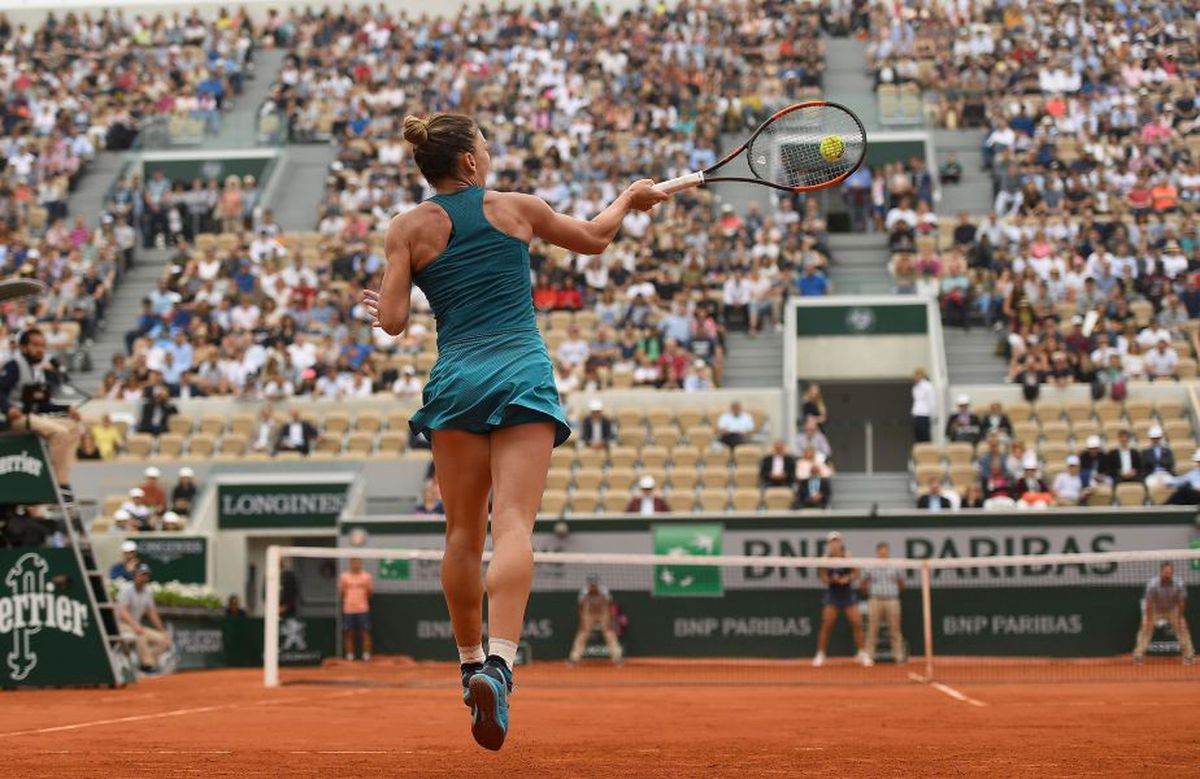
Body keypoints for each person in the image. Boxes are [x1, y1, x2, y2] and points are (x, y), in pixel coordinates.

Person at [361, 112, 666, 752]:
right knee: (515, 525)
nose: (490, 154)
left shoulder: (406, 227)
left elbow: (391, 321)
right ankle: (500, 665)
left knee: (461, 534)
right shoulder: (515, 208)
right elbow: (595, 237)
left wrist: (383, 303)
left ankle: (469, 662)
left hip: (456, 381)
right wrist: (629, 199)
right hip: (521, 372)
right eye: (485, 146)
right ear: (470, 162)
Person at [0, 328, 82, 499]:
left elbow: (41, 405)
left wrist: (66, 409)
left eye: (43, 346)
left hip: (31, 416)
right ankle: (60, 485)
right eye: (35, 345)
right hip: (14, 419)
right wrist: (8, 408)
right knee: (60, 433)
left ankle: (61, 474)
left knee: (74, 427)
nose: (40, 350)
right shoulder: (15, 365)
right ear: (24, 347)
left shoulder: (35, 369)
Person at [813, 532, 872, 668]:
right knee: (827, 625)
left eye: (837, 541)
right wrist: (831, 580)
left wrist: (847, 578)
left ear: (840, 543)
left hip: (847, 595)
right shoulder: (825, 559)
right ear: (829, 544)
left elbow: (856, 573)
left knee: (857, 623)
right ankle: (820, 654)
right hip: (832, 596)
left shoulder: (848, 557)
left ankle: (862, 653)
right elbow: (822, 577)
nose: (835, 544)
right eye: (832, 542)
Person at [1132, 562, 1194, 665]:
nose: (1167, 574)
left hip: (1172, 609)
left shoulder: (1179, 583)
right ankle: (1139, 655)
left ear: (1172, 572)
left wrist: (1180, 618)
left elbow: (1181, 602)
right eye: (1165, 572)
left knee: (1182, 628)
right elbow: (1149, 602)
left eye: (1169, 572)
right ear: (1161, 571)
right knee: (1145, 628)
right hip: (1155, 609)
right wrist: (1149, 619)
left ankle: (1188, 655)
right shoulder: (1153, 584)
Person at [116, 564, 173, 674]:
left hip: (136, 626)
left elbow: (152, 613)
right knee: (140, 634)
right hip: (121, 625)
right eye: (141, 575)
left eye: (146, 575)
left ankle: (148, 663)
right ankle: (147, 665)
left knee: (163, 640)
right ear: (134, 576)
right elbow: (122, 612)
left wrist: (162, 630)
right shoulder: (126, 589)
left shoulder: (148, 591)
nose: (144, 578)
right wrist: (135, 625)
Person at [862, 542, 905, 664]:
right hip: (875, 600)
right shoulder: (871, 566)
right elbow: (863, 582)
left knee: (895, 629)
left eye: (885, 552)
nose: (883, 554)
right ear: (877, 552)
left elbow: (901, 583)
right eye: (881, 552)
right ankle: (869, 656)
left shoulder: (895, 565)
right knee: (872, 628)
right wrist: (871, 593)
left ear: (888, 552)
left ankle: (898, 656)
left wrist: (893, 592)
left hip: (892, 600)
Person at [567, 573, 623, 667]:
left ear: (597, 583)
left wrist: (610, 619)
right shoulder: (584, 592)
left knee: (609, 633)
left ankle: (617, 658)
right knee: (582, 634)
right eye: (591, 584)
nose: (593, 586)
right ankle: (574, 659)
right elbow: (580, 607)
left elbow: (609, 604)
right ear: (588, 584)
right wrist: (582, 621)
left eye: (594, 584)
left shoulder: (604, 591)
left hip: (603, 612)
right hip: (589, 613)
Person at [339, 557, 374, 661]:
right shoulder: (344, 577)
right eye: (354, 563)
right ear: (350, 564)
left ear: (361, 563)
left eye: (358, 563)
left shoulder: (367, 577)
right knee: (348, 633)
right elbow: (342, 593)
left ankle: (366, 655)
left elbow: (369, 593)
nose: (356, 565)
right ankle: (350, 655)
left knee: (365, 632)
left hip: (363, 609)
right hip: (348, 609)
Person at [910, 368, 935, 443]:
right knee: (918, 437)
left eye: (916, 375)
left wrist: (933, 414)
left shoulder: (927, 386)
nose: (914, 377)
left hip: (924, 414)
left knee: (925, 437)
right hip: (917, 414)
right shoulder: (915, 387)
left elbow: (932, 401)